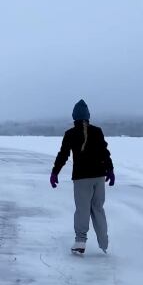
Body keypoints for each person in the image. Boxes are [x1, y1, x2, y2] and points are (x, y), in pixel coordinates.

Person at [50, 99, 115, 254]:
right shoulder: (97, 131)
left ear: (74, 117)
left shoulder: (70, 134)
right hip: (99, 177)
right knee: (98, 209)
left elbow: (63, 155)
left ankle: (80, 242)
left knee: (82, 210)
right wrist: (110, 170)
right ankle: (104, 242)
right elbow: (104, 153)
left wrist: (55, 172)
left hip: (81, 179)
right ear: (88, 116)